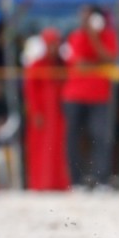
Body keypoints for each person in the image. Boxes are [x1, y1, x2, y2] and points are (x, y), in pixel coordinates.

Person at [61, 4, 119, 190]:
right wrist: (97, 62)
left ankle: (101, 179)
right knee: (73, 138)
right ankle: (76, 181)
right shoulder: (75, 36)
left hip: (100, 95)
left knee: (101, 136)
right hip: (75, 95)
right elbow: (78, 64)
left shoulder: (108, 35)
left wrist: (94, 38)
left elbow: (110, 58)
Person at [22, 28, 69, 191]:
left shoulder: (63, 64)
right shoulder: (36, 65)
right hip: (42, 114)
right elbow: (30, 91)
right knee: (40, 149)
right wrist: (35, 112)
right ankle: (41, 183)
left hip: (58, 113)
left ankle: (58, 183)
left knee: (58, 149)